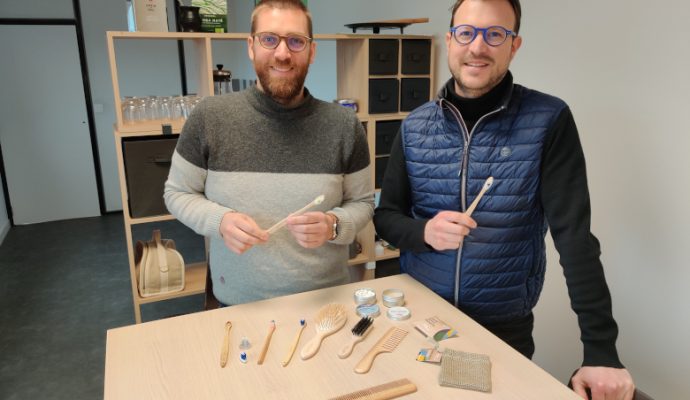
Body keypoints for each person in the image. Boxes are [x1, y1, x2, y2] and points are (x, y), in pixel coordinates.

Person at [373, 0, 634, 399]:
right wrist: (425, 232)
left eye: (495, 34)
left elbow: (575, 239)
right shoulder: (415, 126)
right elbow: (386, 217)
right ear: (450, 40)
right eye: (466, 32)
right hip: (420, 316)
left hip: (503, 327)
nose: (478, 47)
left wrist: (602, 352)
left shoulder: (549, 119)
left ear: (514, 46)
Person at [164, 0, 374, 306]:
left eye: (296, 41)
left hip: (324, 304)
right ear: (251, 46)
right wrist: (219, 221)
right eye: (269, 39)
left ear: (312, 51)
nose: (282, 53)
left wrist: (334, 226)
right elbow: (177, 193)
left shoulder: (344, 125)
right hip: (235, 304)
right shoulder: (210, 117)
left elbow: (363, 203)